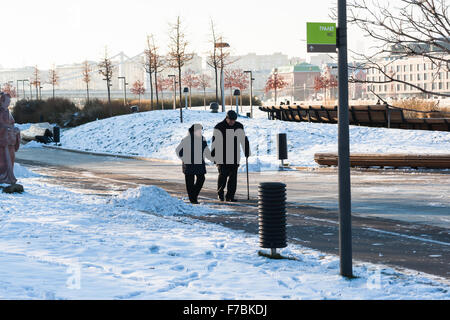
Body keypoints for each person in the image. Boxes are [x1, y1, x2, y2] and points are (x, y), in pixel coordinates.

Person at [211, 110, 250, 202]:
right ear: (226, 118)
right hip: (221, 156)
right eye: (231, 120)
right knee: (223, 176)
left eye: (234, 120)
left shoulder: (239, 126)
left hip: (234, 155)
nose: (232, 122)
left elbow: (244, 139)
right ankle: (220, 194)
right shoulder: (219, 127)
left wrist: (247, 151)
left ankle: (230, 196)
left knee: (233, 178)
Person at [176, 124, 213, 204]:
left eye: (201, 131)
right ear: (194, 131)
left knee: (201, 179)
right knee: (190, 182)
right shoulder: (186, 139)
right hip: (189, 164)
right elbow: (179, 151)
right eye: (199, 130)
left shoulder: (202, 139)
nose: (200, 132)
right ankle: (193, 199)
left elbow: (206, 150)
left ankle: (193, 195)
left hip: (199, 164)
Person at [0, 92, 20, 185]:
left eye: (10, 101)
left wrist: (15, 130)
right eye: (7, 101)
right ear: (2, 101)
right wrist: (4, 129)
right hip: (3, 142)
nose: (9, 103)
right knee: (3, 161)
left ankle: (10, 177)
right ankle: (3, 177)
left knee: (11, 159)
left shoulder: (8, 112)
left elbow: (11, 124)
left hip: (10, 140)